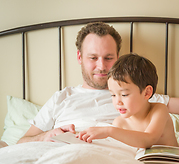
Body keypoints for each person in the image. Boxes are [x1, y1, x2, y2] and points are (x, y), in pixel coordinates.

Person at [17, 22, 179, 144]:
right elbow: (21, 143)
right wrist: (46, 135)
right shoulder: (62, 97)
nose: (101, 66)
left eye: (108, 58)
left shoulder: (139, 95)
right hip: (57, 151)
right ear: (80, 57)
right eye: (93, 57)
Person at [77, 53, 178, 148]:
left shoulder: (159, 110)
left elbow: (149, 139)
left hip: (170, 163)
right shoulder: (119, 123)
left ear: (147, 93)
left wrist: (109, 131)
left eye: (124, 95)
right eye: (113, 95)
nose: (118, 102)